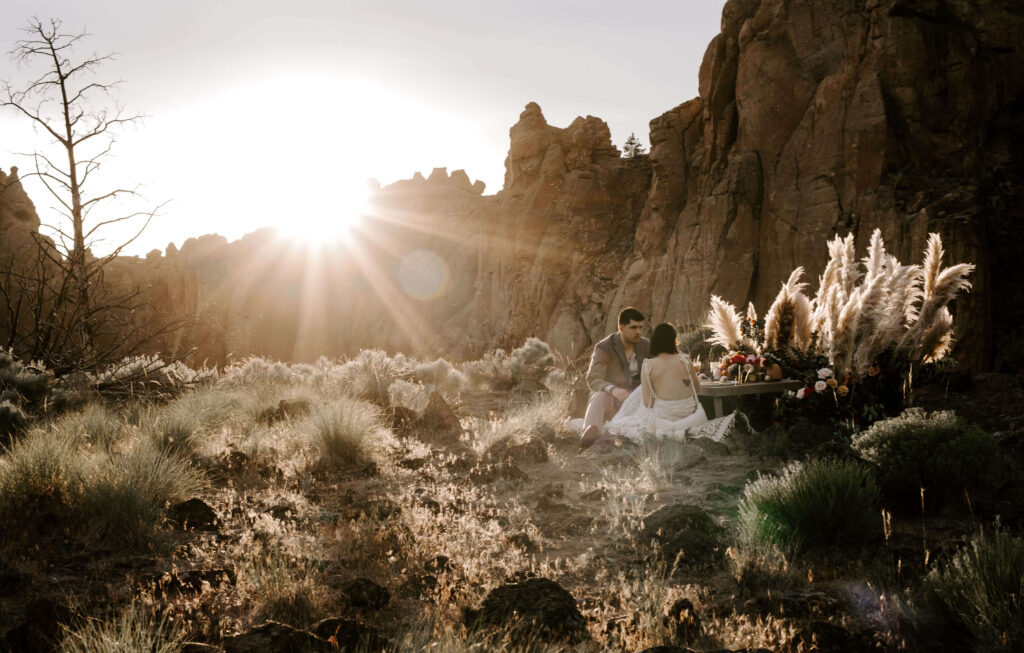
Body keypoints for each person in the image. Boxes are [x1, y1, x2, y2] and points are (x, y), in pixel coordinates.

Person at [600, 322, 708, 442]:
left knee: (639, 406)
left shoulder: (649, 365)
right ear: (674, 340)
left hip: (664, 419)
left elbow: (647, 403)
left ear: (655, 341)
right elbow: (696, 389)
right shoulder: (686, 360)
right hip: (690, 415)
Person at [579, 307, 650, 450]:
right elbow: (593, 378)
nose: (638, 332)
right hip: (612, 401)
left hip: (638, 402)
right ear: (621, 327)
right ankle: (588, 442)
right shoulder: (605, 347)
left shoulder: (646, 345)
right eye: (633, 327)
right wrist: (612, 389)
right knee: (599, 395)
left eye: (640, 327)